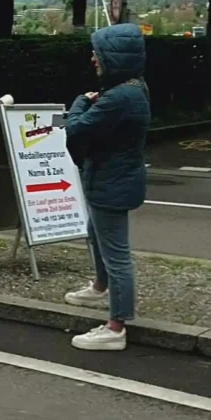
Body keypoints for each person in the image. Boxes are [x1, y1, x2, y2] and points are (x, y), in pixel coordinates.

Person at [62, 23, 150, 351]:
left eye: (98, 54)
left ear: (113, 57)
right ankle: (100, 287)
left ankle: (116, 327)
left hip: (111, 182)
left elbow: (77, 129)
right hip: (113, 178)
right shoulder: (131, 88)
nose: (93, 59)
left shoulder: (120, 97)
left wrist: (80, 101)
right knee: (95, 234)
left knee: (117, 254)